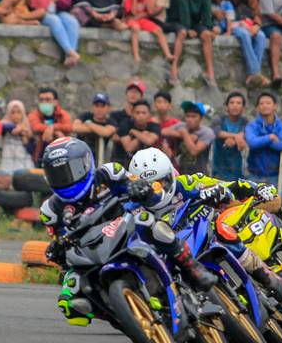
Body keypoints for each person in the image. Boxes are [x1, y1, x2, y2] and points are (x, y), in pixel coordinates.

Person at [39, 138, 217, 327]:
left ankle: (193, 268)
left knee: (151, 224)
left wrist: (140, 188)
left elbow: (143, 190)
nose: (66, 179)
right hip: (92, 250)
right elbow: (61, 243)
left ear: (86, 163)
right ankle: (116, 312)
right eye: (57, 175)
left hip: (126, 229)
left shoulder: (109, 173)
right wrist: (56, 251)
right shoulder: (50, 210)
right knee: (69, 297)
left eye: (71, 170)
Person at [126, 147, 282, 301]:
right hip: (181, 256)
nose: (158, 190)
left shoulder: (186, 183)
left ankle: (266, 275)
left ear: (170, 175)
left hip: (213, 235)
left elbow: (229, 185)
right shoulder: (134, 210)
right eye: (150, 186)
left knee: (226, 229)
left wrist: (256, 188)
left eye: (161, 183)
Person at [213, 0, 269, 87]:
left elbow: (256, 11)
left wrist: (256, 25)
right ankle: (256, 73)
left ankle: (253, 74)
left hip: (247, 22)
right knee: (244, 35)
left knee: (261, 36)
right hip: (230, 24)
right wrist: (215, 12)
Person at [168, 0, 216, 86]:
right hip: (177, 19)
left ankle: (210, 72)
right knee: (182, 33)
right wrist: (187, 28)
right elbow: (183, 6)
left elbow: (207, 7)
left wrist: (209, 27)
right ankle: (174, 69)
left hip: (194, 20)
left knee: (206, 35)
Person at [245, 92, 282, 186]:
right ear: (257, 107)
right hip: (253, 175)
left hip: (274, 176)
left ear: (275, 106)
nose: (265, 106)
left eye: (268, 103)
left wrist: (260, 140)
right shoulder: (252, 125)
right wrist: (270, 137)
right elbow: (252, 143)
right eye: (261, 103)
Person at [123, 0, 168, 65]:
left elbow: (150, 11)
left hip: (143, 20)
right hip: (131, 20)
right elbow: (133, 12)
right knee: (135, 28)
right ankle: (136, 55)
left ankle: (167, 54)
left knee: (159, 30)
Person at [170, 101, 215, 175]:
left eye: (193, 116)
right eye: (187, 116)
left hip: (200, 175)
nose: (190, 119)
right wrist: (183, 135)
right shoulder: (182, 126)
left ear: (201, 118)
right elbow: (164, 131)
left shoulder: (207, 132)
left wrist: (185, 134)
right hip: (182, 173)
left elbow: (194, 151)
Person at [28, 87, 72, 162]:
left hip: (61, 153)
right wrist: (55, 131)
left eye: (48, 99)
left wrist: (53, 127)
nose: (44, 102)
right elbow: (35, 127)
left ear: (56, 102)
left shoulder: (62, 114)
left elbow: (68, 127)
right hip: (39, 154)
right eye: (41, 100)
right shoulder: (34, 114)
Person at [211, 91, 248, 180]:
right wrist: (236, 137)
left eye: (238, 103)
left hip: (238, 171)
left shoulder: (245, 122)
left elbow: (245, 134)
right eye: (232, 103)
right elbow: (217, 132)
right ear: (227, 106)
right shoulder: (219, 119)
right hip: (218, 170)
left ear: (243, 107)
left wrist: (234, 139)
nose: (235, 105)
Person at [114, 99, 160, 167]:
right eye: (137, 113)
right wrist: (143, 135)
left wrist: (134, 132)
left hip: (148, 165)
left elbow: (149, 141)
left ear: (149, 115)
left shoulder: (154, 126)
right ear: (132, 114)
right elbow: (129, 148)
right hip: (124, 164)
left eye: (144, 113)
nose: (140, 115)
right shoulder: (125, 124)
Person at [72, 93, 116, 161]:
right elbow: (74, 127)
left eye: (102, 106)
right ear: (92, 107)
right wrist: (99, 129)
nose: (99, 109)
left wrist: (88, 124)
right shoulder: (85, 116)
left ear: (108, 108)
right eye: (96, 106)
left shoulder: (111, 121)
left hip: (100, 160)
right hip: (80, 158)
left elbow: (106, 132)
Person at [0, 100, 35, 172]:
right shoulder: (4, 125)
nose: (16, 115)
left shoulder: (27, 128)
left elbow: (31, 150)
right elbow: (2, 127)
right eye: (13, 112)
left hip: (24, 163)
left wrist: (25, 139)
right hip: (7, 163)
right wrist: (16, 128)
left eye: (19, 112)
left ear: (23, 113)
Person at [152, 91, 180, 159]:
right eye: (159, 102)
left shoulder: (176, 123)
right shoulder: (148, 122)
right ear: (154, 105)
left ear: (170, 106)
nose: (162, 105)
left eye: (165, 102)